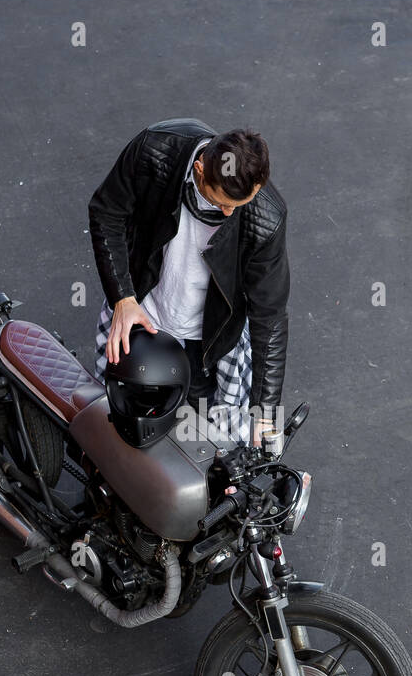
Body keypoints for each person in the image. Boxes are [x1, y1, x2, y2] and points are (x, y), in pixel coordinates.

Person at [88, 117, 290, 446]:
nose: (229, 214)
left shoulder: (267, 219)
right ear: (199, 169)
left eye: (240, 205)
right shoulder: (156, 149)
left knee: (198, 439)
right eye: (222, 203)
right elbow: (106, 212)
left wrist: (264, 414)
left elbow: (270, 315)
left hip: (208, 342)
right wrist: (123, 299)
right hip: (142, 313)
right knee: (121, 420)